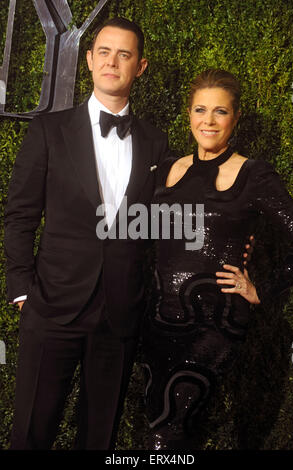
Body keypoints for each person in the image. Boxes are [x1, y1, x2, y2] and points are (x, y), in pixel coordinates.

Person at [4, 17, 171, 450]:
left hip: (119, 314)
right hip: (52, 306)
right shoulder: (48, 129)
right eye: (103, 51)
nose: (112, 61)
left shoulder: (155, 142)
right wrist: (22, 289)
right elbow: (20, 214)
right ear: (90, 61)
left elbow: (159, 222)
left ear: (141, 66)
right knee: (31, 435)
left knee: (99, 437)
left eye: (124, 54)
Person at [141, 69, 293, 450]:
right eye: (200, 110)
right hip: (159, 319)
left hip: (216, 323)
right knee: (160, 421)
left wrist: (262, 289)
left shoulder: (254, 174)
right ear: (188, 114)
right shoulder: (165, 169)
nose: (208, 121)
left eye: (220, 112)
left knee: (169, 426)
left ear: (236, 116)